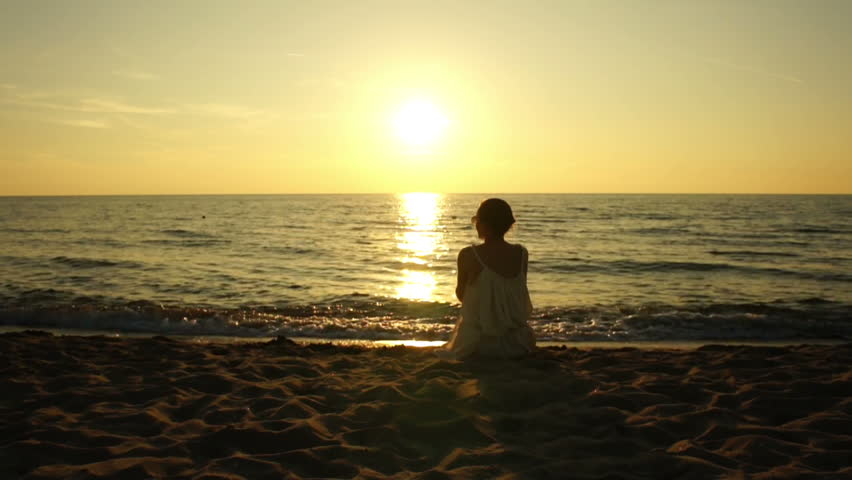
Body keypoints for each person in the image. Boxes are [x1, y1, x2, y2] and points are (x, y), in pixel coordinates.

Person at [438, 198, 536, 360]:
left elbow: (461, 295)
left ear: (482, 223)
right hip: (518, 343)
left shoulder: (469, 254)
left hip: (478, 344)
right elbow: (517, 294)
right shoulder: (521, 253)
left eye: (477, 220)